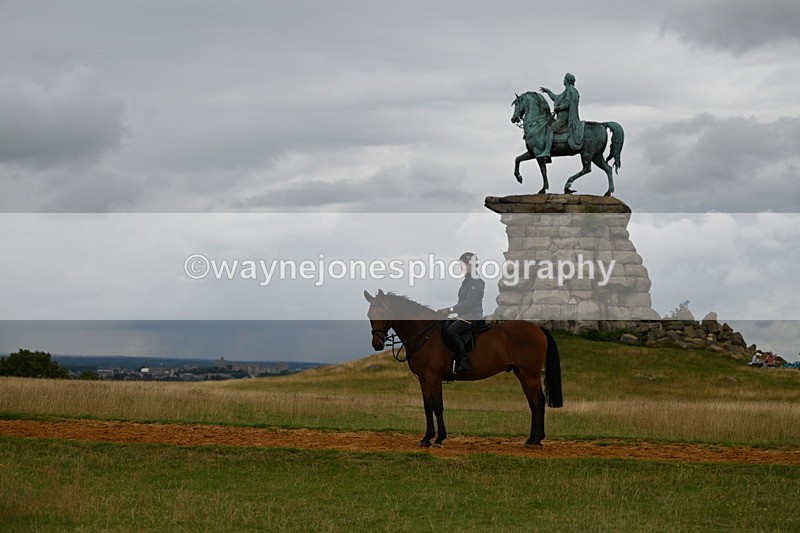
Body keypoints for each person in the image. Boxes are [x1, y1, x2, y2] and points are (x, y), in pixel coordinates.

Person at [439, 252, 485, 374]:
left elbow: (468, 304)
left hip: (473, 316)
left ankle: (464, 362)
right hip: (464, 316)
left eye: (463, 264)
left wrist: (449, 310)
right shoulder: (467, 281)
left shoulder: (475, 282)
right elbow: (462, 303)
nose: (461, 267)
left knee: (451, 331)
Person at [539, 72, 585, 157]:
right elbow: (556, 97)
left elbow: (567, 104)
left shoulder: (570, 91)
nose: (563, 80)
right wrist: (548, 91)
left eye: (564, 79)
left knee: (550, 128)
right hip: (563, 117)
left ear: (567, 81)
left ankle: (547, 151)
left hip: (565, 118)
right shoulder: (568, 91)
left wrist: (558, 108)